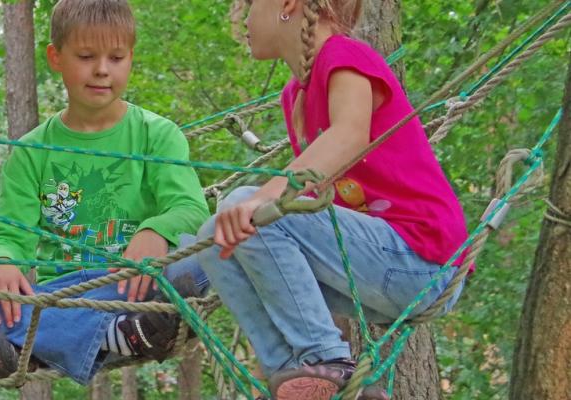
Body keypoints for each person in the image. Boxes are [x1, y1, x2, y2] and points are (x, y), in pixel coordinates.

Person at [195, 0, 469, 399]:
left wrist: (261, 199)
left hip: (420, 260)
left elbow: (350, 134)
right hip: (374, 270)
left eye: (249, 4)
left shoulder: (345, 54)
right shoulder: (297, 96)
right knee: (217, 237)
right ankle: (295, 379)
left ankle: (326, 361)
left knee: (247, 207)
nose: (240, 17)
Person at [0, 0, 210, 385]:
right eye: (85, 56)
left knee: (215, 247)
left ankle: (43, 343)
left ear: (131, 59)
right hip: (59, 294)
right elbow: (11, 233)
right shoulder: (32, 151)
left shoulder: (157, 135)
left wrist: (156, 231)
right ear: (55, 57)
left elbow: (190, 208)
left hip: (136, 287)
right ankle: (109, 337)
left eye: (116, 57)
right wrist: (2, 260)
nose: (102, 70)